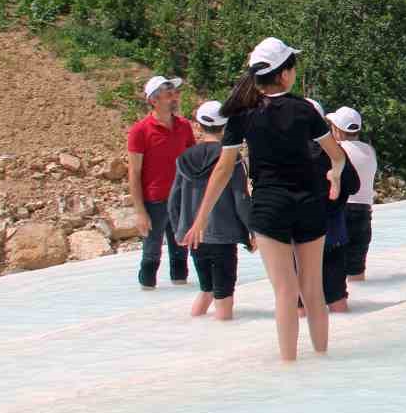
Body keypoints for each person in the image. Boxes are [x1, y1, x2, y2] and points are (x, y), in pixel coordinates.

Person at [182, 38, 347, 362]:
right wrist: (335, 175)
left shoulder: (242, 115)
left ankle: (289, 367)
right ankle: (323, 364)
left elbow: (222, 170)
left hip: (269, 208)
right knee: (312, 291)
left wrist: (201, 217)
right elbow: (336, 155)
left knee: (285, 292)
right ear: (284, 74)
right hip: (309, 204)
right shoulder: (305, 110)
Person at [167, 100, 252, 320]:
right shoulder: (231, 160)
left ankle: (193, 332)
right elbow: (241, 198)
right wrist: (251, 232)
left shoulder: (184, 159)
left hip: (194, 237)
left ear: (198, 125)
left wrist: (180, 231)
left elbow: (173, 200)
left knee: (206, 290)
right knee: (224, 296)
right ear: (226, 126)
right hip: (223, 237)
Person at [127, 74, 196, 288]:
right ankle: (147, 295)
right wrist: (139, 211)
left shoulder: (184, 126)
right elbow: (134, 173)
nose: (175, 97)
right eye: (169, 94)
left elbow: (192, 165)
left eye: (175, 93)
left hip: (180, 200)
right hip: (154, 202)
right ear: (153, 100)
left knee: (180, 255)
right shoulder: (140, 131)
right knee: (150, 255)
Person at [310, 102, 361, 313]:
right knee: (337, 298)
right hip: (333, 233)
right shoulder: (334, 152)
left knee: (300, 303)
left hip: (298, 236)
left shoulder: (283, 155)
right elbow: (354, 186)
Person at [327, 106, 377, 283]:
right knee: (356, 272)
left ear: (338, 129)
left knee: (334, 273)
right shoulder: (370, 151)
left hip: (341, 211)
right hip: (364, 214)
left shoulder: (336, 150)